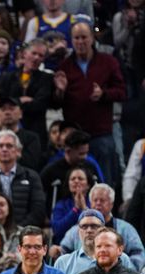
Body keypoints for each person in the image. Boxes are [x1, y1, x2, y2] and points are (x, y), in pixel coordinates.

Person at [53, 22, 126, 186]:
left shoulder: (108, 62)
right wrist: (60, 91)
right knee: (76, 183)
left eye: (84, 37)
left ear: (92, 38)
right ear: (71, 40)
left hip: (101, 134)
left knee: (105, 181)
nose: (80, 42)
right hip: (74, 136)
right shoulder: (64, 66)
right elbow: (55, 104)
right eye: (76, 38)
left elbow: (122, 92)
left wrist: (104, 94)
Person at [59, 184, 145, 269]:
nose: (98, 203)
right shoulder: (77, 229)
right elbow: (64, 249)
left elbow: (138, 253)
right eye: (95, 200)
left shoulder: (126, 229)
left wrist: (128, 271)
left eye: (102, 200)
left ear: (111, 204)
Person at [0, 38, 53, 146]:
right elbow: (2, 102)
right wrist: (20, 100)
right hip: (9, 131)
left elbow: (39, 104)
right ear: (24, 54)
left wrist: (14, 103)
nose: (36, 58)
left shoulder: (47, 79)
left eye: (41, 55)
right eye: (34, 53)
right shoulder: (7, 78)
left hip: (36, 132)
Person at [50, 165, 95, 245]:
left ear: (88, 185)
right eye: (73, 179)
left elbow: (97, 227)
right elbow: (57, 230)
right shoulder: (61, 205)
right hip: (64, 246)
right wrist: (75, 209)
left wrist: (84, 208)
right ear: (68, 184)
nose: (76, 181)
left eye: (80, 179)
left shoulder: (94, 203)